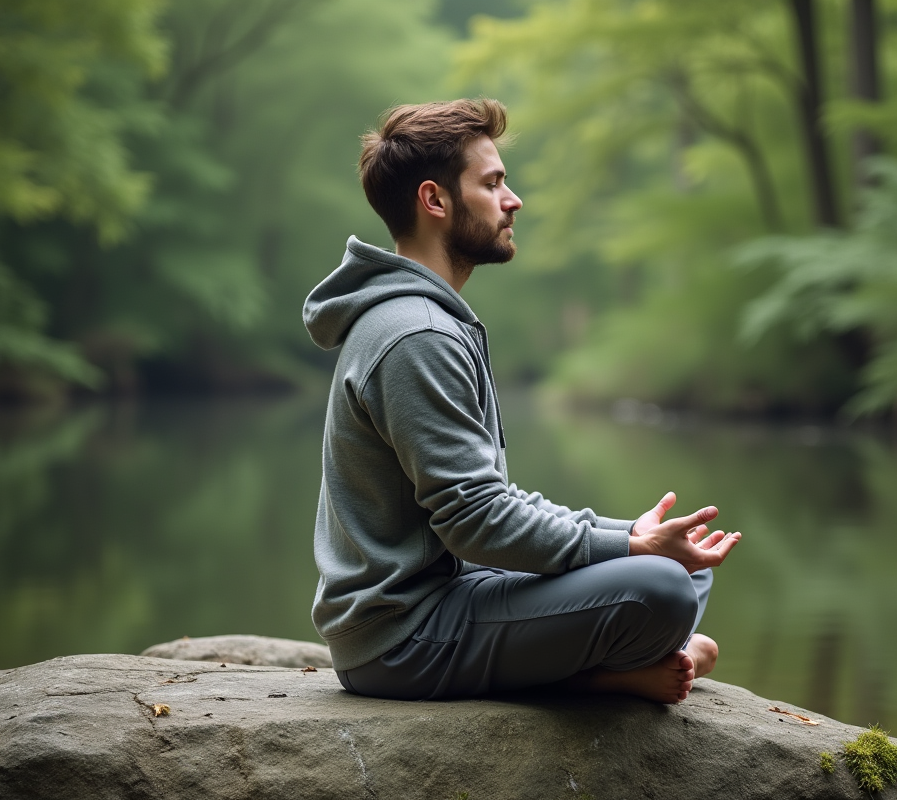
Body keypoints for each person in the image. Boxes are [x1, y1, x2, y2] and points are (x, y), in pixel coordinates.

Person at [302, 98, 740, 704]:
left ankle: (625, 652)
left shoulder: (426, 318)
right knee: (661, 589)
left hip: (456, 595)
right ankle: (600, 675)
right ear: (435, 201)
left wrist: (629, 532)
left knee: (685, 565)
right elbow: (476, 519)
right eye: (493, 183)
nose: (514, 200)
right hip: (404, 639)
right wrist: (630, 548)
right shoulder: (417, 334)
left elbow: (485, 509)